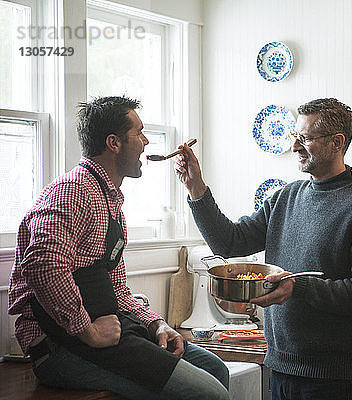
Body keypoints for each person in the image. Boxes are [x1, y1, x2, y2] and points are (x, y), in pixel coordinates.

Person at [8, 96, 229, 400]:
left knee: (215, 368)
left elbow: (117, 289)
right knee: (209, 394)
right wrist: (89, 331)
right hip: (59, 348)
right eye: (138, 133)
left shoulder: (110, 202)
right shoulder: (73, 190)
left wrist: (157, 324)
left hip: (109, 332)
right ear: (114, 142)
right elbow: (43, 264)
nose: (146, 141)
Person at [175, 98, 352, 400]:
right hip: (280, 367)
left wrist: (298, 287)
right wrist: (196, 188)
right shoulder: (287, 197)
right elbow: (230, 242)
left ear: (336, 143)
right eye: (295, 137)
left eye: (304, 138)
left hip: (334, 379)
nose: (295, 146)